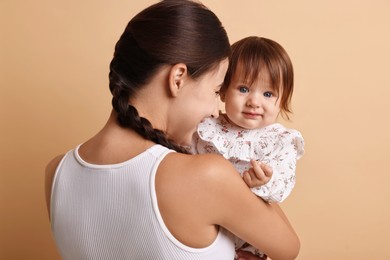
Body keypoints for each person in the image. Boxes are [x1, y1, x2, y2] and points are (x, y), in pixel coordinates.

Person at [45, 1, 300, 260]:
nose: (215, 111)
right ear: (178, 78)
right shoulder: (207, 175)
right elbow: (289, 248)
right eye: (215, 91)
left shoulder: (56, 173)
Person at [191, 36, 305, 257]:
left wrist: (265, 181)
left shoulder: (280, 140)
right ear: (223, 90)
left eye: (268, 94)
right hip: (204, 231)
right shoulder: (206, 126)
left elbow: (283, 184)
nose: (254, 101)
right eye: (243, 89)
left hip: (248, 239)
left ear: (281, 101)